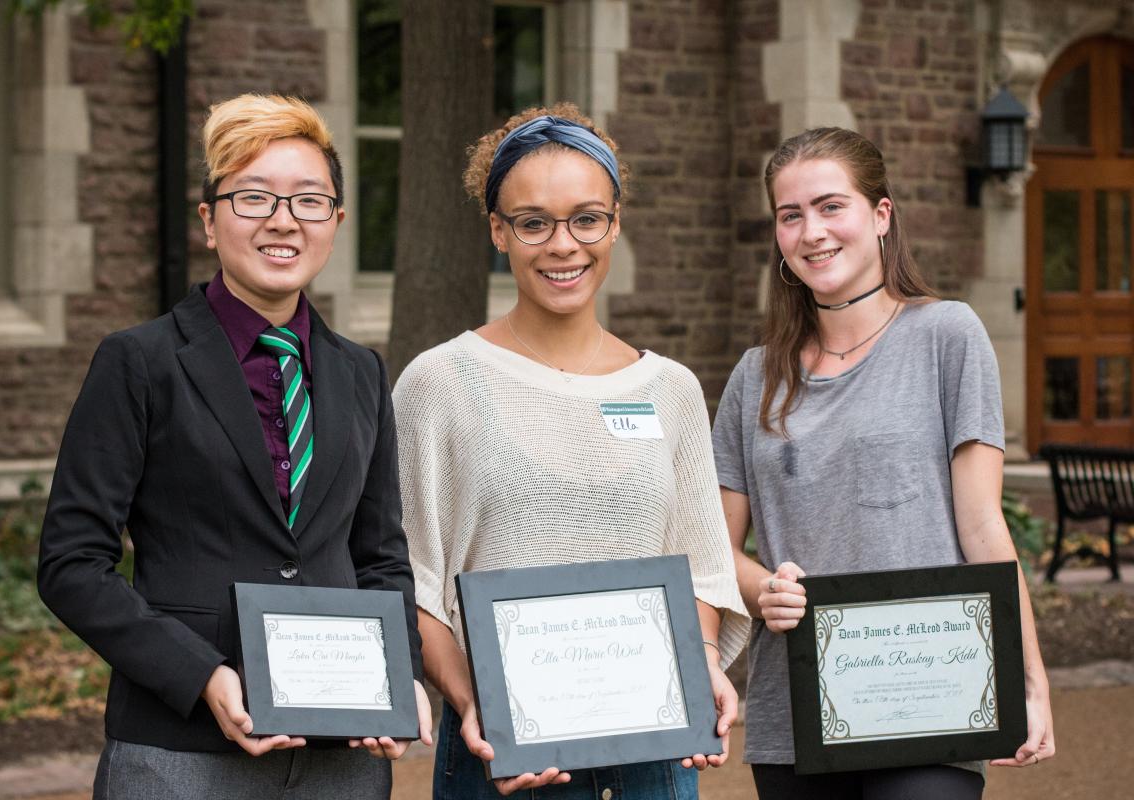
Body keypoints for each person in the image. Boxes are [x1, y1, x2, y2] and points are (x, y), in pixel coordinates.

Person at [37, 93, 432, 800]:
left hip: (340, 760)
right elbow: (71, 563)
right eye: (253, 198)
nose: (283, 221)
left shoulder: (362, 372)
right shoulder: (140, 362)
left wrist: (397, 675)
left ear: (336, 223)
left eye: (309, 201)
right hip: (181, 748)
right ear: (210, 222)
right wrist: (202, 676)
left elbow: (381, 557)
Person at [392, 103, 751, 799]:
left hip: (656, 759)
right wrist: (476, 706)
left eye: (588, 218)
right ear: (498, 230)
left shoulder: (670, 390)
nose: (565, 245)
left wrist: (703, 657)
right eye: (534, 222)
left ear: (615, 223)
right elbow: (412, 581)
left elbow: (704, 571)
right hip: (501, 755)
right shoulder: (438, 384)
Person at [711, 127, 1055, 799]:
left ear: (881, 215)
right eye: (791, 215)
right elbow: (715, 550)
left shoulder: (947, 338)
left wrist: (1029, 683)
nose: (812, 231)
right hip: (798, 710)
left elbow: (984, 529)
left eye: (831, 206)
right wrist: (761, 589)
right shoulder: (754, 378)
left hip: (935, 699)